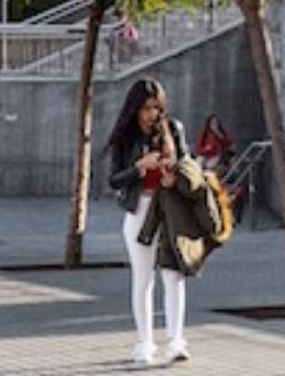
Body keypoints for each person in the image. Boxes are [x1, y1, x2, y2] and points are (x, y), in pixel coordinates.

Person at [106, 77, 191, 366]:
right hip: (139, 209)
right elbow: (113, 179)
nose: (151, 115)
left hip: (169, 208)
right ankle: (145, 342)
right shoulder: (125, 136)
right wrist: (139, 168)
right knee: (143, 278)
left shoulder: (173, 129)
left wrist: (174, 173)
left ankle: (176, 339)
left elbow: (189, 165)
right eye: (145, 108)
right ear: (135, 109)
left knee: (173, 275)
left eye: (156, 108)